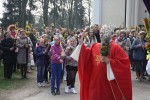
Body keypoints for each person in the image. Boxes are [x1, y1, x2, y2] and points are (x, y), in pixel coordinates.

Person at [71, 25, 132, 100]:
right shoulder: (95, 46)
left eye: (104, 32)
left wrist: (110, 61)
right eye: (100, 32)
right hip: (94, 82)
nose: (101, 34)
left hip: (108, 84)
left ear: (110, 34)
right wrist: (80, 43)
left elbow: (124, 63)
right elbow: (84, 56)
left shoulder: (115, 47)